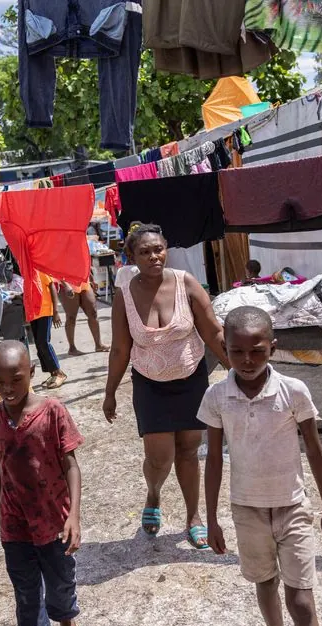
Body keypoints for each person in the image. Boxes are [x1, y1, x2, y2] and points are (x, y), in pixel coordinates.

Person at [200, 306, 322, 626]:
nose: (247, 361)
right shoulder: (216, 397)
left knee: (302, 603)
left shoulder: (293, 391)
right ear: (225, 349)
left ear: (273, 348)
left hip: (292, 507)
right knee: (265, 583)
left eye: (257, 351)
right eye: (237, 352)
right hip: (246, 510)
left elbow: (313, 449)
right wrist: (211, 518)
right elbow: (214, 459)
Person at [103, 223, 228, 549]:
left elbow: (213, 331)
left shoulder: (185, 283)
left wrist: (241, 371)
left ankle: (193, 517)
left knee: (188, 451)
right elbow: (120, 349)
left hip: (191, 381)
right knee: (160, 457)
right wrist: (110, 392)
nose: (154, 256)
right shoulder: (125, 295)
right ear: (131, 257)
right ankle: (154, 494)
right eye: (144, 252)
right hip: (150, 384)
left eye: (158, 249)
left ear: (166, 248)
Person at [0, 340, 86, 626]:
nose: (7, 389)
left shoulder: (52, 412)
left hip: (54, 521)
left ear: (32, 373)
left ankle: (68, 624)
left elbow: (71, 465)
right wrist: (1, 509)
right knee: (26, 597)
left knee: (60, 581)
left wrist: (74, 517)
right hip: (15, 526)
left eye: (16, 379)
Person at [29, 271, 67, 389]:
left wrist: (55, 312)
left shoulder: (40, 270)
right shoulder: (26, 271)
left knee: (44, 342)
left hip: (45, 311)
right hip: (33, 313)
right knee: (39, 344)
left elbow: (52, 288)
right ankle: (52, 373)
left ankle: (58, 372)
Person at [59, 277, 108, 355]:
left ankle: (98, 345)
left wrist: (91, 279)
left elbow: (86, 264)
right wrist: (65, 284)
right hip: (66, 281)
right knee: (71, 317)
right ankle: (72, 348)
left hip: (84, 281)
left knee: (93, 313)